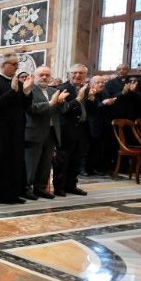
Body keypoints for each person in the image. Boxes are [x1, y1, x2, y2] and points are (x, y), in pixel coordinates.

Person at [0, 53, 33, 204]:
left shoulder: (16, 81)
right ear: (3, 65)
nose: (17, 67)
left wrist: (27, 92)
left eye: (17, 64)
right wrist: (11, 91)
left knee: (14, 161)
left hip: (15, 128)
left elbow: (25, 106)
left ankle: (11, 194)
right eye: (14, 64)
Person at [24, 66, 68, 199]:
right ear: (34, 76)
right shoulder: (29, 90)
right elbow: (31, 109)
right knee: (31, 162)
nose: (44, 77)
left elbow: (64, 110)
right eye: (41, 75)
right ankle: (26, 188)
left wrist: (61, 102)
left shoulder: (54, 90)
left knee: (46, 162)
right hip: (34, 131)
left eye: (47, 75)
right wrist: (51, 103)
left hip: (51, 132)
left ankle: (41, 188)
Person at [53, 64, 91, 196]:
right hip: (66, 129)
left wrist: (92, 99)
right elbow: (62, 111)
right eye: (74, 73)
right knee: (63, 160)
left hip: (82, 130)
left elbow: (90, 111)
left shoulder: (87, 89)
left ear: (85, 75)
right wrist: (78, 99)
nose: (78, 75)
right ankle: (59, 187)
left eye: (81, 73)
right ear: (68, 74)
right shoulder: (62, 88)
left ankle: (71, 185)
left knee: (77, 160)